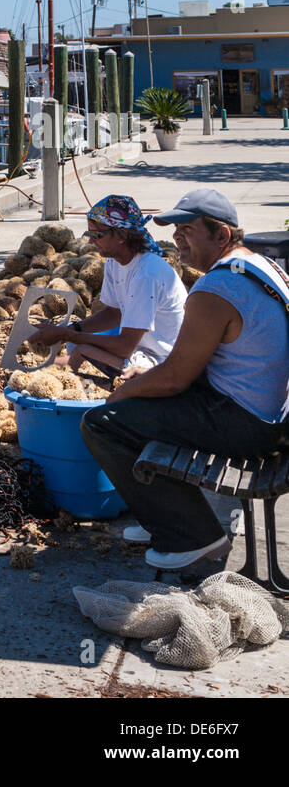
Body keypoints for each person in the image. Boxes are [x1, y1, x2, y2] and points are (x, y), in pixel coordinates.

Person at [80, 189, 289, 571]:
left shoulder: (216, 289)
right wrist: (149, 377)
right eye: (175, 228)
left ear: (221, 235)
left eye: (187, 229)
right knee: (146, 396)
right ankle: (166, 513)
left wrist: (126, 390)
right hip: (268, 416)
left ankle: (194, 537)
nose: (177, 237)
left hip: (245, 426)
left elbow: (176, 379)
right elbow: (198, 363)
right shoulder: (262, 266)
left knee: (103, 423)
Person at [29, 195, 186, 377]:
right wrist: (70, 329)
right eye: (90, 234)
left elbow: (125, 347)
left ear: (122, 235)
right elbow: (114, 313)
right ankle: (50, 369)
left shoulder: (146, 274)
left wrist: (66, 335)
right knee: (77, 344)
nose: (91, 242)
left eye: (97, 235)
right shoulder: (115, 261)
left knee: (81, 351)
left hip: (162, 360)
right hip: (139, 349)